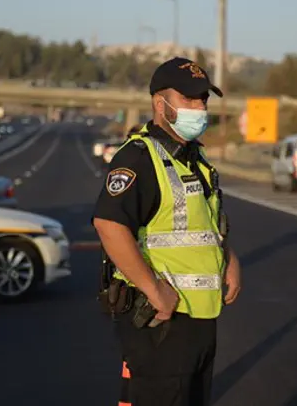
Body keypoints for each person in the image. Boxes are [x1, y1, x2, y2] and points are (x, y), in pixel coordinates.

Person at [92, 56, 242, 406]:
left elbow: (203, 224)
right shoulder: (139, 158)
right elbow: (109, 224)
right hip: (162, 322)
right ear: (160, 104)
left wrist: (228, 258)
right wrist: (154, 289)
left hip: (200, 319)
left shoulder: (194, 158)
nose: (199, 107)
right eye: (189, 98)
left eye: (203, 99)